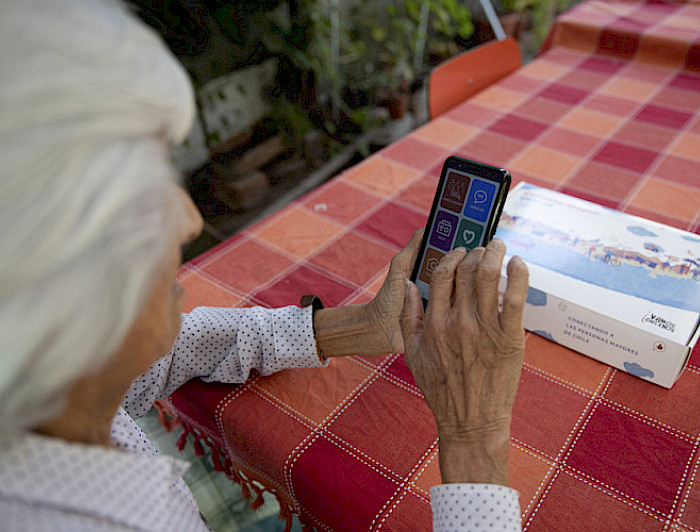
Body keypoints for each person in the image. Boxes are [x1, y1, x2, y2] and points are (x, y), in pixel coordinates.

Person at [0, 1, 529, 530]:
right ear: (42, 262)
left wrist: (362, 326)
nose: (189, 220)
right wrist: (476, 439)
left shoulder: (50, 378)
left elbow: (160, 354)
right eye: (143, 192)